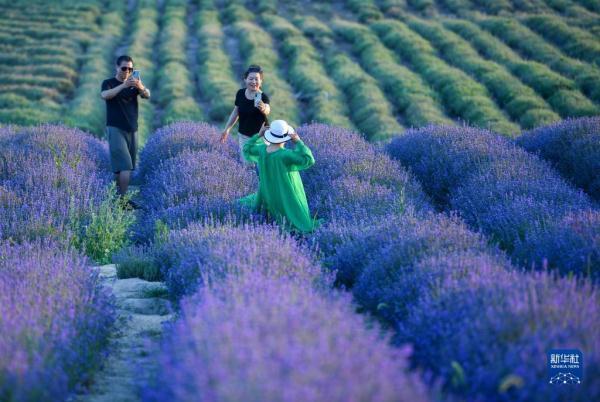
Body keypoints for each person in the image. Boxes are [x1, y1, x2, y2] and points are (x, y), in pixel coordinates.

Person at [239, 120, 318, 234]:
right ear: (286, 137)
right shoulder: (285, 155)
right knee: (297, 216)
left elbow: (247, 148)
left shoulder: (262, 149)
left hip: (267, 191)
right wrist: (298, 142)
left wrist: (258, 135)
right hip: (286, 192)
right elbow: (309, 159)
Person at [100, 55, 150, 208]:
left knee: (119, 169)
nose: (127, 71)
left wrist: (140, 87)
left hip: (132, 129)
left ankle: (113, 198)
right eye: (124, 68)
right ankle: (122, 201)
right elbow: (105, 95)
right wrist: (123, 85)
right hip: (116, 128)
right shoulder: (108, 83)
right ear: (117, 67)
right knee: (125, 166)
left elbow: (147, 95)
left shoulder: (135, 85)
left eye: (130, 69)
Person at [220, 64, 270, 165]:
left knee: (262, 166)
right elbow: (236, 112)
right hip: (244, 137)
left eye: (257, 79)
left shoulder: (263, 97)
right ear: (245, 79)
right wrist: (227, 129)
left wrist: (263, 108)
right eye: (251, 79)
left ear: (261, 82)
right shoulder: (240, 94)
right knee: (247, 166)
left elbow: (268, 110)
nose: (254, 82)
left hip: (261, 138)